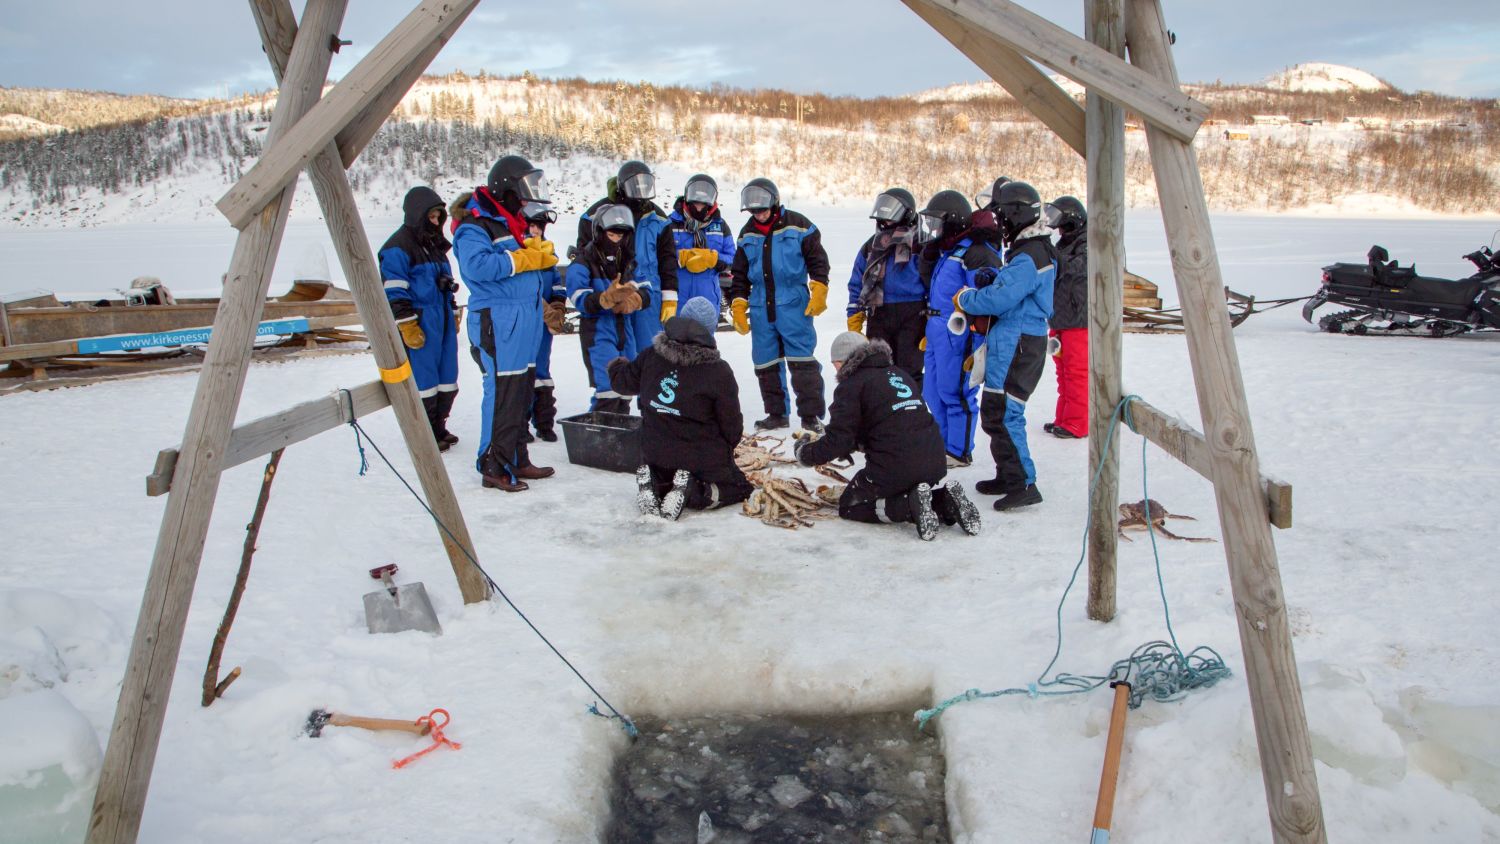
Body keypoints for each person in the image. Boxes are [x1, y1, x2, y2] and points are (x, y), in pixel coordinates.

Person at [794, 332, 981, 540]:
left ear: (846, 361)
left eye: (836, 363)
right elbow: (892, 421)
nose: (836, 370)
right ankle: (944, 501)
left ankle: (907, 508)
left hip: (896, 466)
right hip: (934, 460)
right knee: (907, 484)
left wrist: (806, 453)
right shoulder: (898, 374)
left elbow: (838, 439)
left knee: (851, 505)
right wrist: (855, 443)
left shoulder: (851, 385)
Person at [450, 154, 558, 492]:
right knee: (501, 393)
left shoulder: (510, 223)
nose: (526, 199)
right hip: (497, 319)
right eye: (523, 191)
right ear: (507, 187)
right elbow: (477, 267)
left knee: (522, 390)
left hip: (523, 318)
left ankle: (517, 457)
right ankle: (493, 464)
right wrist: (522, 258)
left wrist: (533, 253)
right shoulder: (475, 226)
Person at [953, 181, 1059, 511]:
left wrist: (968, 298)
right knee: (995, 410)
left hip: (1020, 341)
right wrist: (994, 280)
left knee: (1006, 412)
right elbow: (1009, 287)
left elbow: (1001, 299)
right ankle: (1008, 475)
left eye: (1001, 217)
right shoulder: (1030, 251)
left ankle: (1024, 482)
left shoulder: (1031, 255)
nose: (998, 223)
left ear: (1014, 215)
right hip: (1014, 339)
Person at [608, 296, 753, 520]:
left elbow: (622, 382)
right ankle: (697, 491)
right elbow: (732, 426)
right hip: (700, 458)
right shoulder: (718, 371)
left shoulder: (651, 355)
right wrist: (726, 450)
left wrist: (618, 366)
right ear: (709, 330)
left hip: (654, 452)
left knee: (669, 469)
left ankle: (656, 483)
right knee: (742, 487)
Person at [727, 177, 832, 434]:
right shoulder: (746, 234)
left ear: (774, 203)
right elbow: (739, 275)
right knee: (765, 362)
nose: (758, 215)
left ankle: (811, 416)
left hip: (793, 303)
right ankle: (776, 414)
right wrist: (738, 304)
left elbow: (818, 261)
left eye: (762, 209)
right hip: (761, 306)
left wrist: (819, 287)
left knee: (802, 360)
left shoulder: (800, 226)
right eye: (753, 211)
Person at [917, 189, 1004, 468]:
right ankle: (942, 444)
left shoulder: (976, 251)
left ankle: (959, 450)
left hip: (959, 330)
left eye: (938, 222)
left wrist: (978, 340)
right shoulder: (950, 250)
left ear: (952, 221)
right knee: (932, 391)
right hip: (936, 328)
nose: (933, 230)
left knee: (955, 392)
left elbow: (986, 297)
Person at [379, 186, 461, 450]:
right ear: (419, 214)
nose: (436, 222)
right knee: (424, 380)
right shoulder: (397, 247)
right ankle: (424, 433)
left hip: (443, 318)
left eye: (439, 217)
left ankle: (439, 426)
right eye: (432, 217)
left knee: (447, 377)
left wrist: (454, 308)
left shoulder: (434, 246)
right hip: (421, 319)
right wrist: (407, 323)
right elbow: (394, 288)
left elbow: (446, 283)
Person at [578, 160, 677, 350]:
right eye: (635, 187)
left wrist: (669, 296)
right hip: (613, 291)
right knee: (616, 353)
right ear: (623, 187)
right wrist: (597, 296)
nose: (640, 194)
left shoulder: (659, 219)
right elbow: (586, 257)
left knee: (650, 353)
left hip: (648, 296)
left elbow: (668, 261)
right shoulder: (594, 215)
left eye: (645, 186)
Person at [567, 203, 644, 414]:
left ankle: (620, 433)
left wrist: (635, 299)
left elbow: (645, 285)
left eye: (621, 236)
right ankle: (600, 436)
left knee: (626, 385)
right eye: (612, 234)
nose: (616, 240)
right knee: (608, 387)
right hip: (598, 329)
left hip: (624, 327)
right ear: (599, 232)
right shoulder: (584, 261)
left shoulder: (627, 262)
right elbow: (577, 295)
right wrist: (603, 299)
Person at [846, 188, 926, 389]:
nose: (885, 221)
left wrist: (935, 315)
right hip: (878, 311)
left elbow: (934, 280)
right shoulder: (872, 246)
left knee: (909, 370)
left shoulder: (921, 244)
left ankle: (911, 413)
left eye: (890, 214)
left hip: (913, 313)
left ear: (905, 213)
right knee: (878, 368)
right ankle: (882, 413)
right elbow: (857, 281)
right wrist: (854, 313)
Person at [1044, 195, 1088, 440]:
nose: (1059, 230)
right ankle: (1064, 418)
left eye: (1062, 224)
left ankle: (1077, 423)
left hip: (1078, 320)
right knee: (1063, 372)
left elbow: (1079, 265)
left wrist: (1053, 257)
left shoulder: (1088, 242)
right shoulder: (1065, 243)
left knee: (1077, 372)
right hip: (1061, 317)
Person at [526, 202, 567, 442]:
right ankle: (520, 425)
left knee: (542, 371)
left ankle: (543, 422)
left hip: (544, 326)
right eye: (532, 226)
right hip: (522, 323)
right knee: (522, 372)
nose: (536, 231)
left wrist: (558, 309)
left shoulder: (548, 257)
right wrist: (541, 307)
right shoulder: (518, 252)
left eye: (540, 227)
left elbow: (556, 286)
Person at [667, 174, 735, 317]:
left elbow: (732, 259)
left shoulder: (721, 226)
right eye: (695, 203)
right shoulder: (670, 224)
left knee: (703, 338)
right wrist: (680, 257)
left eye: (702, 204)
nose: (698, 207)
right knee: (675, 337)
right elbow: (660, 256)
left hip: (707, 298)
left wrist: (714, 259)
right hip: (678, 296)